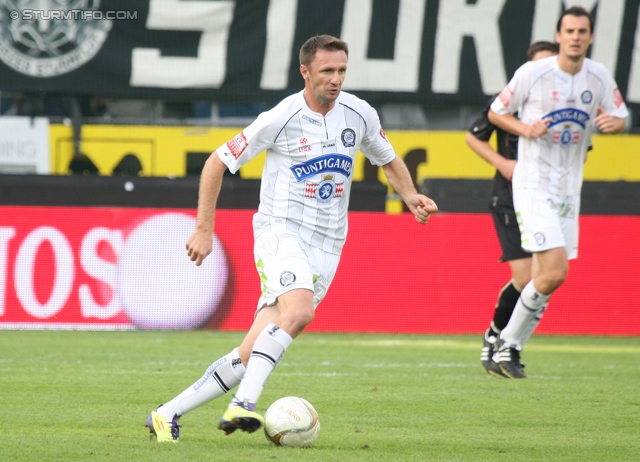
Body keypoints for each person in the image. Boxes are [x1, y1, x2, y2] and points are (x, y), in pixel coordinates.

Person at [144, 34, 438, 442]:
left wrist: (409, 196)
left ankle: (166, 413)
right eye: (326, 71)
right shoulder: (281, 117)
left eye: (341, 71)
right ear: (305, 71)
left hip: (329, 244)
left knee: (252, 351)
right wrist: (203, 229)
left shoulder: (359, 114)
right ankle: (243, 404)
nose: (335, 80)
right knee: (299, 312)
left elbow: (386, 157)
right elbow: (216, 163)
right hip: (280, 231)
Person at [488, 6, 628, 378]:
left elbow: (619, 114)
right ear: (560, 34)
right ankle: (508, 346)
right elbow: (496, 112)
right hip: (534, 184)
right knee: (555, 271)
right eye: (569, 30)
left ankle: (503, 345)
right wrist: (522, 128)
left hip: (570, 189)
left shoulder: (597, 75)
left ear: (591, 37)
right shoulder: (534, 73)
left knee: (543, 276)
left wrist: (616, 123)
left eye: (583, 31)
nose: (576, 37)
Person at [466, 41, 559, 378]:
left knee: (543, 277)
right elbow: (473, 137)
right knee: (525, 277)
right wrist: (503, 163)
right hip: (508, 196)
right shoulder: (509, 100)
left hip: (547, 197)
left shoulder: (565, 104)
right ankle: (496, 337)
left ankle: (506, 344)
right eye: (539, 65)